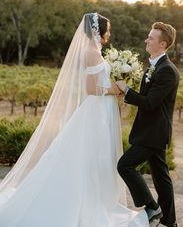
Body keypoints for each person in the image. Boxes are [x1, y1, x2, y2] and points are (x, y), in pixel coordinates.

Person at [0, 13, 149, 227]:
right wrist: (114, 90)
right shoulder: (91, 52)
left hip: (102, 110)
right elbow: (90, 88)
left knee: (96, 157)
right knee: (91, 156)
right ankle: (82, 203)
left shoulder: (96, 51)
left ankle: (95, 200)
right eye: (108, 30)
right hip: (96, 111)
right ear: (98, 31)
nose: (109, 34)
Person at [116, 21, 179, 227]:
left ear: (162, 44)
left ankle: (152, 207)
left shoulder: (167, 70)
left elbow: (151, 103)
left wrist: (127, 91)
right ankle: (170, 222)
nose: (147, 40)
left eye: (151, 38)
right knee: (161, 178)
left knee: (125, 165)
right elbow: (146, 96)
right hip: (151, 131)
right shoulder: (153, 66)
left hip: (153, 132)